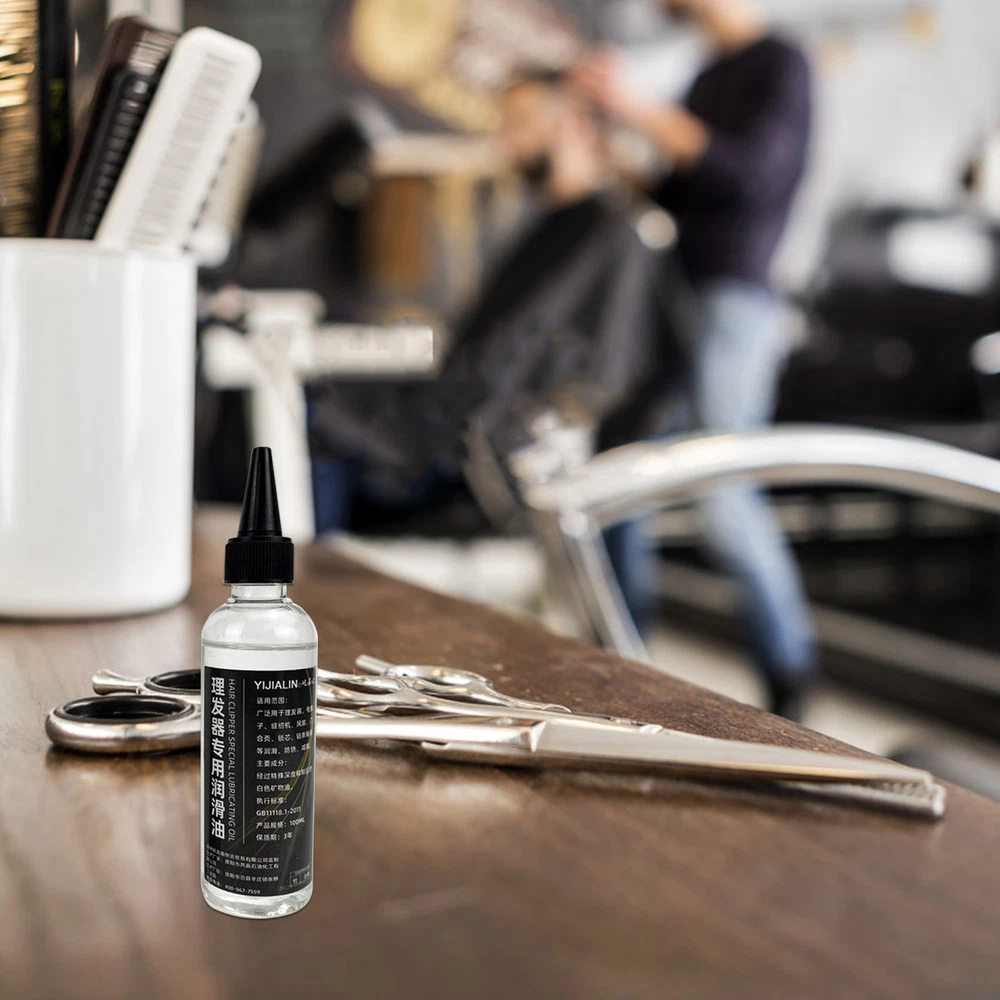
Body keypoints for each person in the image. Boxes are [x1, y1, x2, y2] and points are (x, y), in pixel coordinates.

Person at [308, 69, 691, 528]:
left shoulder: (612, 234)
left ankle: (306, 567)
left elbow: (591, 370)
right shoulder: (550, 228)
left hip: (494, 451)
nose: (507, 141)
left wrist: (468, 418)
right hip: (466, 424)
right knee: (316, 411)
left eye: (521, 122)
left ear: (573, 124)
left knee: (318, 426)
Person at [573, 0, 816, 717]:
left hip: (735, 304)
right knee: (621, 470)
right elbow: (684, 186)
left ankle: (790, 668)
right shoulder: (709, 74)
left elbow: (751, 177)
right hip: (673, 297)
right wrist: (613, 147)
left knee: (722, 487)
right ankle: (624, 657)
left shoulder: (781, 62)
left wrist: (637, 108)